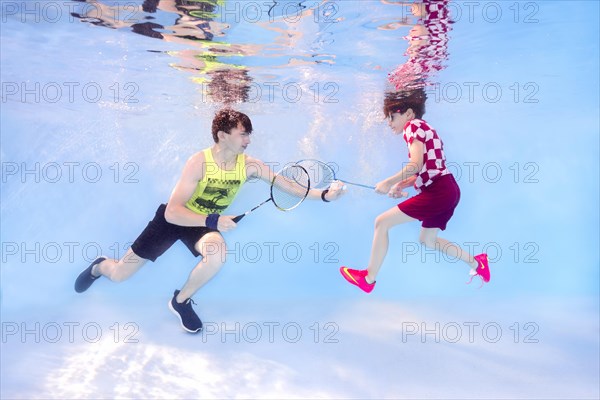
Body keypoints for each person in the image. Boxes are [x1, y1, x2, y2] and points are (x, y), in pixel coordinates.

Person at [75, 109, 344, 333]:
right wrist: (213, 220)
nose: (248, 140)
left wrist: (323, 196)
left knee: (217, 254)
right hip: (175, 219)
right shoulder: (199, 163)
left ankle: (181, 301)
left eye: (248, 134)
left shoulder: (249, 165)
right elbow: (172, 212)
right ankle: (100, 267)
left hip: (204, 225)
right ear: (223, 136)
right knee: (120, 274)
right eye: (243, 134)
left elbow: (283, 183)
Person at [340, 89, 490, 293]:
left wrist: (387, 182)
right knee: (428, 240)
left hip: (439, 191)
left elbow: (415, 164)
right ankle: (477, 263)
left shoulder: (413, 126)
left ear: (409, 113)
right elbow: (427, 168)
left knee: (381, 222)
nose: (390, 122)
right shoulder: (424, 128)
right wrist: (400, 185)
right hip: (447, 188)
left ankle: (368, 278)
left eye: (392, 117)